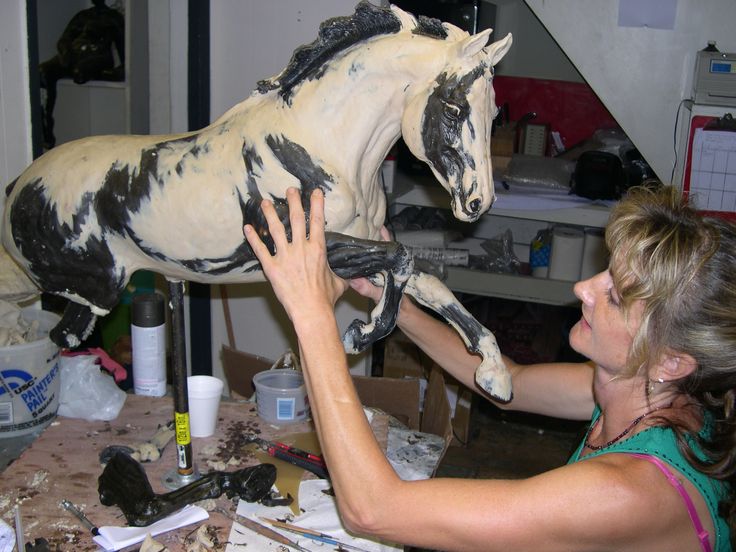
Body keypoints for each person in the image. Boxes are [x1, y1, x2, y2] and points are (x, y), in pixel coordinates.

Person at [244, 184, 734, 551]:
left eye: (615, 295)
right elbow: (510, 384)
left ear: (672, 359)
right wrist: (398, 307)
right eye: (606, 269)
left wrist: (311, 317)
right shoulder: (643, 393)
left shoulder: (629, 491)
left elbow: (373, 510)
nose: (584, 286)